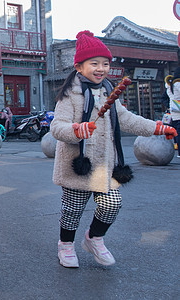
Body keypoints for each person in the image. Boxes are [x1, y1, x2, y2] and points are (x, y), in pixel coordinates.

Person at [51, 31, 177, 268]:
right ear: (79, 66)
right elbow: (57, 127)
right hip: (78, 163)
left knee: (112, 204)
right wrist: (76, 129)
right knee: (73, 210)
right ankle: (65, 245)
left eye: (105, 64)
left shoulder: (109, 90)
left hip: (106, 165)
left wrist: (158, 128)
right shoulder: (70, 94)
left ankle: (94, 238)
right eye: (94, 63)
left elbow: (126, 119)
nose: (101, 68)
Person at [164, 67, 180, 156]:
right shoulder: (177, 84)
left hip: (174, 111)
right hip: (178, 111)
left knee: (178, 131)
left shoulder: (169, 86)